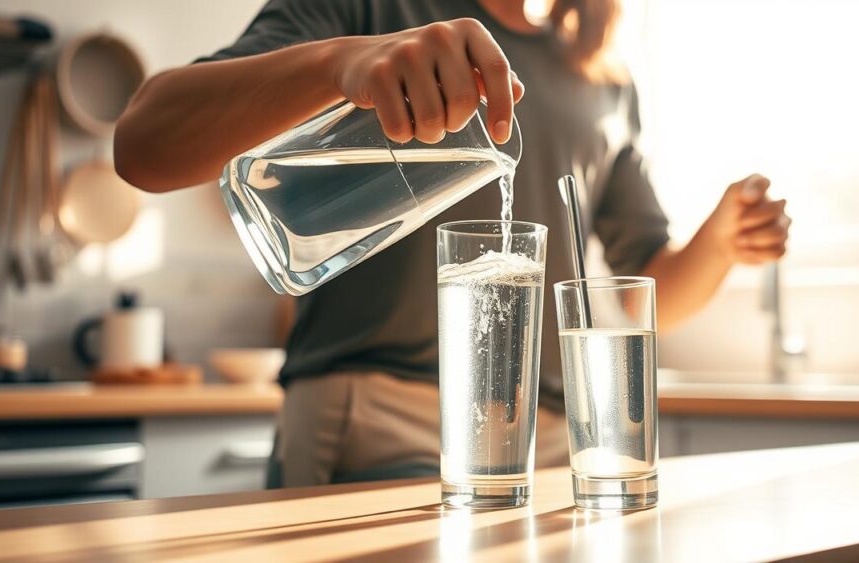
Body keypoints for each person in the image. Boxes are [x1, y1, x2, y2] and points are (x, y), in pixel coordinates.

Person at [115, 0, 791, 487]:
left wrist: (721, 243)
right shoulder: (376, 9)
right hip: (379, 414)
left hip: (552, 438)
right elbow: (143, 143)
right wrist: (344, 63)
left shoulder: (604, 78)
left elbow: (649, 290)